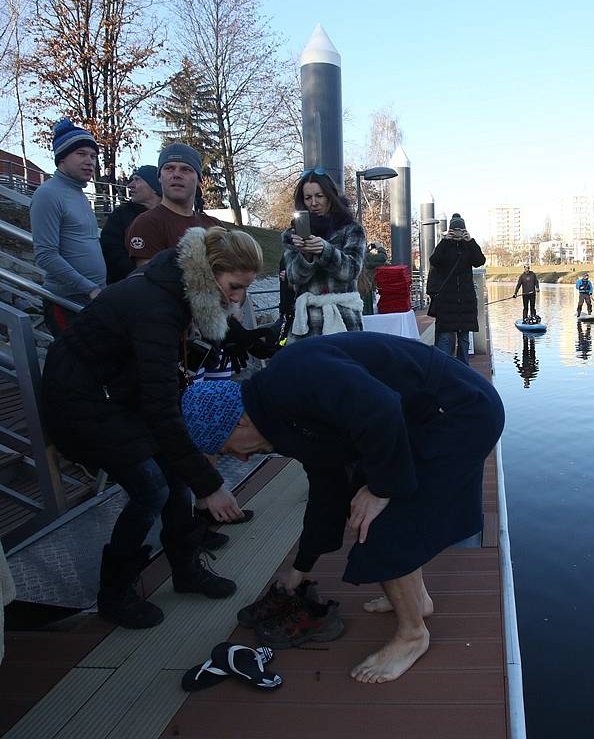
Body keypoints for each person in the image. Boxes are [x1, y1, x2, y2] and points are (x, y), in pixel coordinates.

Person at [181, 332, 505, 683]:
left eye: (230, 450)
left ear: (239, 422)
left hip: (461, 411)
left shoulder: (294, 375)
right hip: (420, 416)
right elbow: (327, 484)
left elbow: (380, 406)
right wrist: (301, 567)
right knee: (365, 501)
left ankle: (413, 636)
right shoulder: (277, 415)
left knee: (383, 521)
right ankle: (418, 601)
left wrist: (381, 490)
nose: (241, 459)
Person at [41, 226, 263, 629]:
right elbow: (161, 408)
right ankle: (114, 592)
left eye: (244, 289)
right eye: (233, 287)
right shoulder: (157, 305)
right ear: (208, 271)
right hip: (78, 402)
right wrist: (209, 484)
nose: (237, 299)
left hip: (111, 392)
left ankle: (185, 568)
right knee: (151, 487)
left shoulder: (173, 282)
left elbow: (157, 394)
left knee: (172, 472)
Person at [30, 118, 106, 336]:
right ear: (62, 158)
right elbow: (45, 255)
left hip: (91, 298)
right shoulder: (48, 194)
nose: (90, 161)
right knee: (76, 366)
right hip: (66, 302)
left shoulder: (79, 194)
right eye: (81, 154)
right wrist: (89, 288)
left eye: (93, 156)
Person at [281, 169, 366, 340]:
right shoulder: (292, 235)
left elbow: (351, 271)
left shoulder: (352, 230)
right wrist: (306, 255)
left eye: (319, 196)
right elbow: (293, 277)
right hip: (307, 323)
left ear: (330, 196)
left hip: (344, 318)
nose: (314, 203)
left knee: (346, 365)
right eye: (308, 198)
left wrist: (324, 250)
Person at [125, 143, 217, 267]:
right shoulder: (146, 224)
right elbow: (149, 281)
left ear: (199, 180)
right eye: (169, 168)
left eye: (186, 169)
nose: (176, 174)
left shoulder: (214, 226)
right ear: (159, 177)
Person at [427, 213, 486, 364]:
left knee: (464, 339)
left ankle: (463, 371)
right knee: (445, 339)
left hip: (465, 301)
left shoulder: (468, 246)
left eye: (461, 230)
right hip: (447, 301)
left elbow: (480, 261)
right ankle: (444, 369)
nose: (458, 233)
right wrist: (445, 241)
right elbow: (434, 261)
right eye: (456, 230)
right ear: (450, 231)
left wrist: (471, 241)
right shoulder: (445, 246)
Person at [100, 166, 162, 284]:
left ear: (154, 187)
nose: (130, 185)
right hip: (130, 287)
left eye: (137, 180)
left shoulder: (170, 216)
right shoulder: (120, 216)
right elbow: (111, 252)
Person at [361, 241, 388, 315]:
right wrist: (380, 247)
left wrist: (366, 250)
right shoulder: (367, 258)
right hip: (366, 289)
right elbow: (382, 258)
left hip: (356, 290)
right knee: (370, 312)